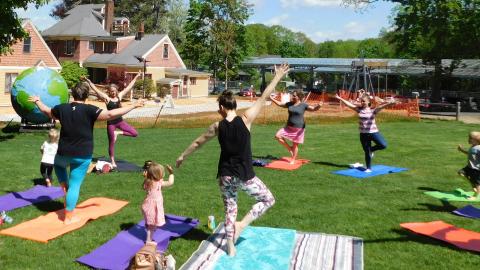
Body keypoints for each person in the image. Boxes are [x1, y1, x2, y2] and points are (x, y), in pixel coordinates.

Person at [176, 63, 290, 256]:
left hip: (226, 175)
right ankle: (242, 225)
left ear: (221, 107)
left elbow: (197, 143)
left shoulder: (217, 126)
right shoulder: (246, 118)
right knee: (268, 199)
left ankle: (230, 246)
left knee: (230, 208)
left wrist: (182, 156)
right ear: (234, 106)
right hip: (245, 175)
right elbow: (264, 96)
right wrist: (278, 76)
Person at [29, 82, 144, 224]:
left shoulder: (62, 108)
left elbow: (46, 111)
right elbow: (110, 114)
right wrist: (133, 105)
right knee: (75, 185)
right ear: (86, 96)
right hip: (82, 155)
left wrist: (37, 101)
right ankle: (68, 217)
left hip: (63, 152)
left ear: (72, 94)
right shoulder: (90, 110)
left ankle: (64, 184)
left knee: (58, 166)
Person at [84, 73, 141, 169]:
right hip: (111, 124)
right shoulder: (107, 99)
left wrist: (136, 77)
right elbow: (96, 90)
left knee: (135, 133)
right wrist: (89, 82)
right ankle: (112, 161)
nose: (113, 93)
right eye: (111, 91)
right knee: (111, 143)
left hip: (120, 122)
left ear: (117, 91)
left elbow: (129, 87)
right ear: (109, 92)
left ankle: (118, 133)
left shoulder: (119, 96)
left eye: (114, 91)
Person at [335, 93, 396, 172]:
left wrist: (390, 103)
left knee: (383, 145)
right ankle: (368, 168)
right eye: (361, 101)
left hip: (374, 133)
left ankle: (371, 150)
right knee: (367, 152)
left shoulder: (373, 110)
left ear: (368, 102)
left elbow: (381, 107)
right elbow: (349, 104)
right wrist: (340, 98)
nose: (362, 102)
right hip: (363, 134)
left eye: (364, 101)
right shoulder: (359, 110)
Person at [270, 89, 322, 164]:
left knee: (295, 144)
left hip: (298, 129)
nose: (292, 96)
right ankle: (290, 149)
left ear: (298, 97)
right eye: (292, 95)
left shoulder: (303, 105)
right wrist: (272, 98)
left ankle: (293, 159)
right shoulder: (290, 104)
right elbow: (280, 104)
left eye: (294, 95)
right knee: (277, 136)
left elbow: (313, 109)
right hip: (288, 127)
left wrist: (319, 106)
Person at [141, 160, 174, 243]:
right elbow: (170, 182)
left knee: (152, 224)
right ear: (157, 175)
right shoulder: (159, 183)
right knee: (151, 226)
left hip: (147, 206)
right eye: (162, 173)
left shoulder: (148, 182)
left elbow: (146, 184)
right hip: (152, 207)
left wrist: (146, 177)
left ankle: (149, 227)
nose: (163, 174)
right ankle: (148, 241)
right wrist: (171, 173)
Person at [457, 131, 480, 200]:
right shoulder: (473, 147)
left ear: (476, 140)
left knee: (477, 184)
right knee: (460, 172)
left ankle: (476, 196)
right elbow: (469, 153)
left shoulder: (479, 148)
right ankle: (473, 185)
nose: (468, 139)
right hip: (469, 167)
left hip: (476, 169)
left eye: (470, 138)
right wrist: (461, 150)